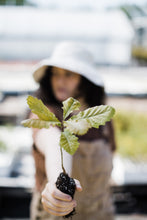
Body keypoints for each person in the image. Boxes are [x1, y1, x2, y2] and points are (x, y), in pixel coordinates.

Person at [27, 41, 116, 220]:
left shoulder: (102, 119)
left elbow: (112, 154)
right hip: (55, 214)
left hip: (99, 212)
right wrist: (58, 184)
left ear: (84, 80)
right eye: (55, 74)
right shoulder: (45, 113)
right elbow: (54, 142)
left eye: (69, 75)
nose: (60, 81)